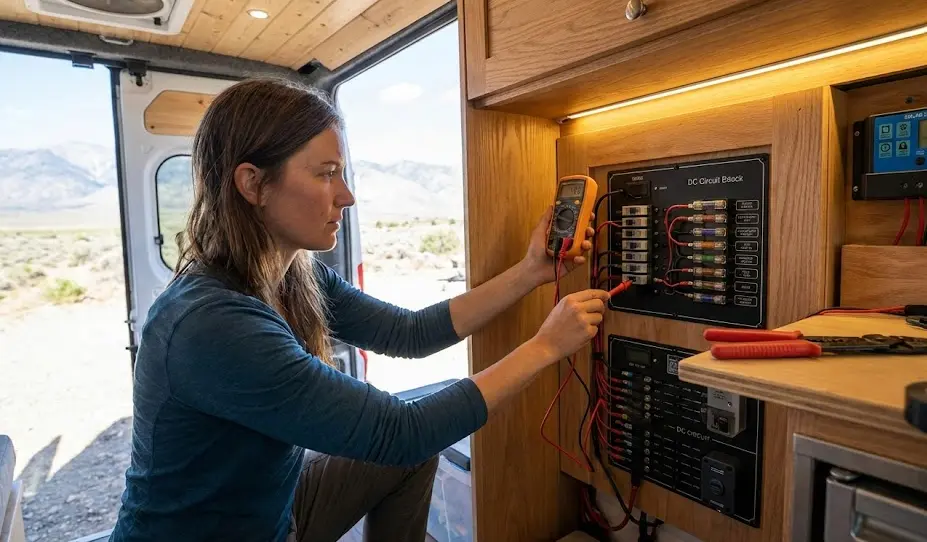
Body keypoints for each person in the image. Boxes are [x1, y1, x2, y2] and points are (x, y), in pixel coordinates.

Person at [109, 77, 609, 542]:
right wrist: (545, 346)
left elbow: (409, 333)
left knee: (408, 461)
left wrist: (529, 272)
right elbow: (401, 432)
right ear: (253, 184)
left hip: (271, 511)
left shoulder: (293, 275)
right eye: (327, 174)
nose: (346, 197)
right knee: (407, 445)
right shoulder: (212, 322)